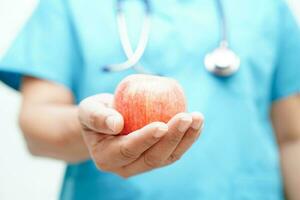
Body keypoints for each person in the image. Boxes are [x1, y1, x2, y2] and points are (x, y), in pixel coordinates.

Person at [0, 0, 300, 199]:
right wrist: (92, 128)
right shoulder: (69, 5)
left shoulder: (267, 7)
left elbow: (292, 137)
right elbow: (36, 124)